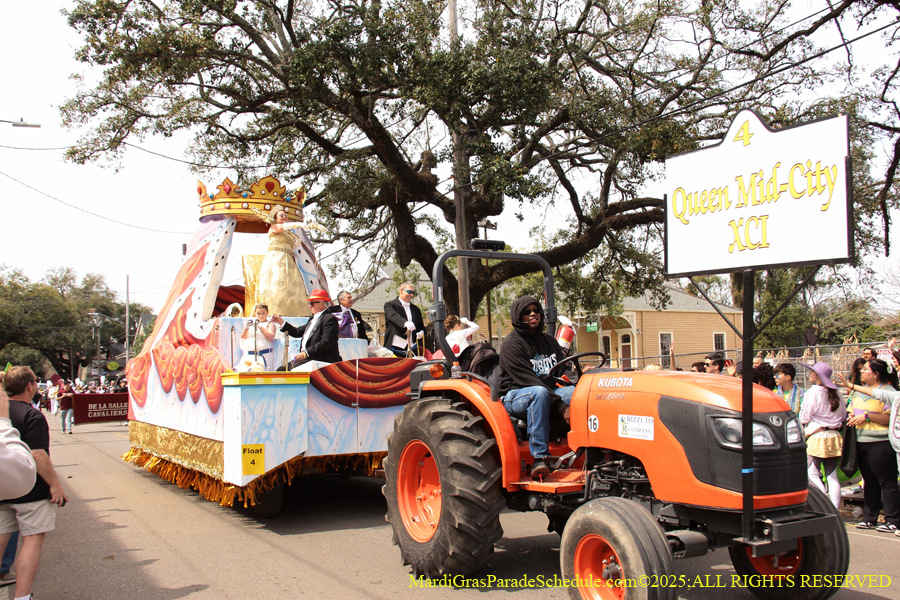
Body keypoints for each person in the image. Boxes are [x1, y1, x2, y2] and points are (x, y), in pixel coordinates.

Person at [0, 367, 68, 600]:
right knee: (32, 539)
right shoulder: (32, 415)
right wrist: (55, 485)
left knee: (1, 534)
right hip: (31, 489)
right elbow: (38, 454)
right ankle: (22, 596)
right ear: (30, 386)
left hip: (2, 487)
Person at [498, 296, 575, 479]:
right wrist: (562, 407)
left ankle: (583, 447)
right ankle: (540, 457)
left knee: (577, 393)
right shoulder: (511, 345)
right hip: (515, 394)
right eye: (527, 311)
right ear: (518, 316)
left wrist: (584, 379)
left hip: (548, 391)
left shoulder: (548, 341)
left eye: (536, 310)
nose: (533, 314)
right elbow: (529, 381)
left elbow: (563, 370)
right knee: (538, 393)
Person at [834, 359, 900, 533]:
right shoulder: (858, 393)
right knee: (869, 482)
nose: (862, 372)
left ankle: (892, 519)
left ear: (876, 374)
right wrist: (851, 417)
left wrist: (868, 416)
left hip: (880, 443)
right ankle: (869, 517)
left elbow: (889, 418)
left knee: (887, 482)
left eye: (865, 370)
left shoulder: (888, 392)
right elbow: (852, 410)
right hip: (861, 442)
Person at [798, 362, 844, 508]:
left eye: (811, 371)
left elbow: (804, 417)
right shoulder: (836, 392)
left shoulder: (812, 392)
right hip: (834, 435)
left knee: (811, 472)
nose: (809, 373)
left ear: (818, 375)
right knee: (832, 474)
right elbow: (843, 415)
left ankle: (824, 504)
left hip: (817, 435)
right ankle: (835, 507)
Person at [257, 207, 311, 317]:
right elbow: (280, 228)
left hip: (289, 259)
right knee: (277, 282)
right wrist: (298, 224)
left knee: (293, 284)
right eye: (281, 215)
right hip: (277, 258)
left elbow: (293, 244)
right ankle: (274, 310)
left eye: (285, 215)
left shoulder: (289, 233)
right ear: (275, 218)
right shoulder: (274, 227)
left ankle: (297, 311)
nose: (284, 217)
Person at [272, 289, 341, 369]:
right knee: (281, 369)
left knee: (288, 371)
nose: (309, 306)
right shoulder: (313, 319)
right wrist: (281, 322)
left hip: (320, 359)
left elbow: (326, 342)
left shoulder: (329, 319)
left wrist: (306, 353)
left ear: (321, 303)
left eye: (312, 303)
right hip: (310, 358)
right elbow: (297, 332)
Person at [383, 282, 426, 357]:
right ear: (401, 290)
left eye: (413, 292)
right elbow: (393, 316)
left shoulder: (416, 309)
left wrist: (421, 333)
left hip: (413, 349)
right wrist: (405, 323)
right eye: (409, 292)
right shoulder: (390, 305)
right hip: (395, 348)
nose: (411, 295)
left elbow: (421, 326)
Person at [238, 303, 278, 371]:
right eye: (258, 313)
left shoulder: (270, 324)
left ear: (267, 313)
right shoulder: (252, 324)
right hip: (250, 356)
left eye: (263, 313)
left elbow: (271, 337)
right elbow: (243, 338)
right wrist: (246, 328)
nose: (261, 316)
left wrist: (260, 327)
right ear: (255, 313)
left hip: (264, 355)